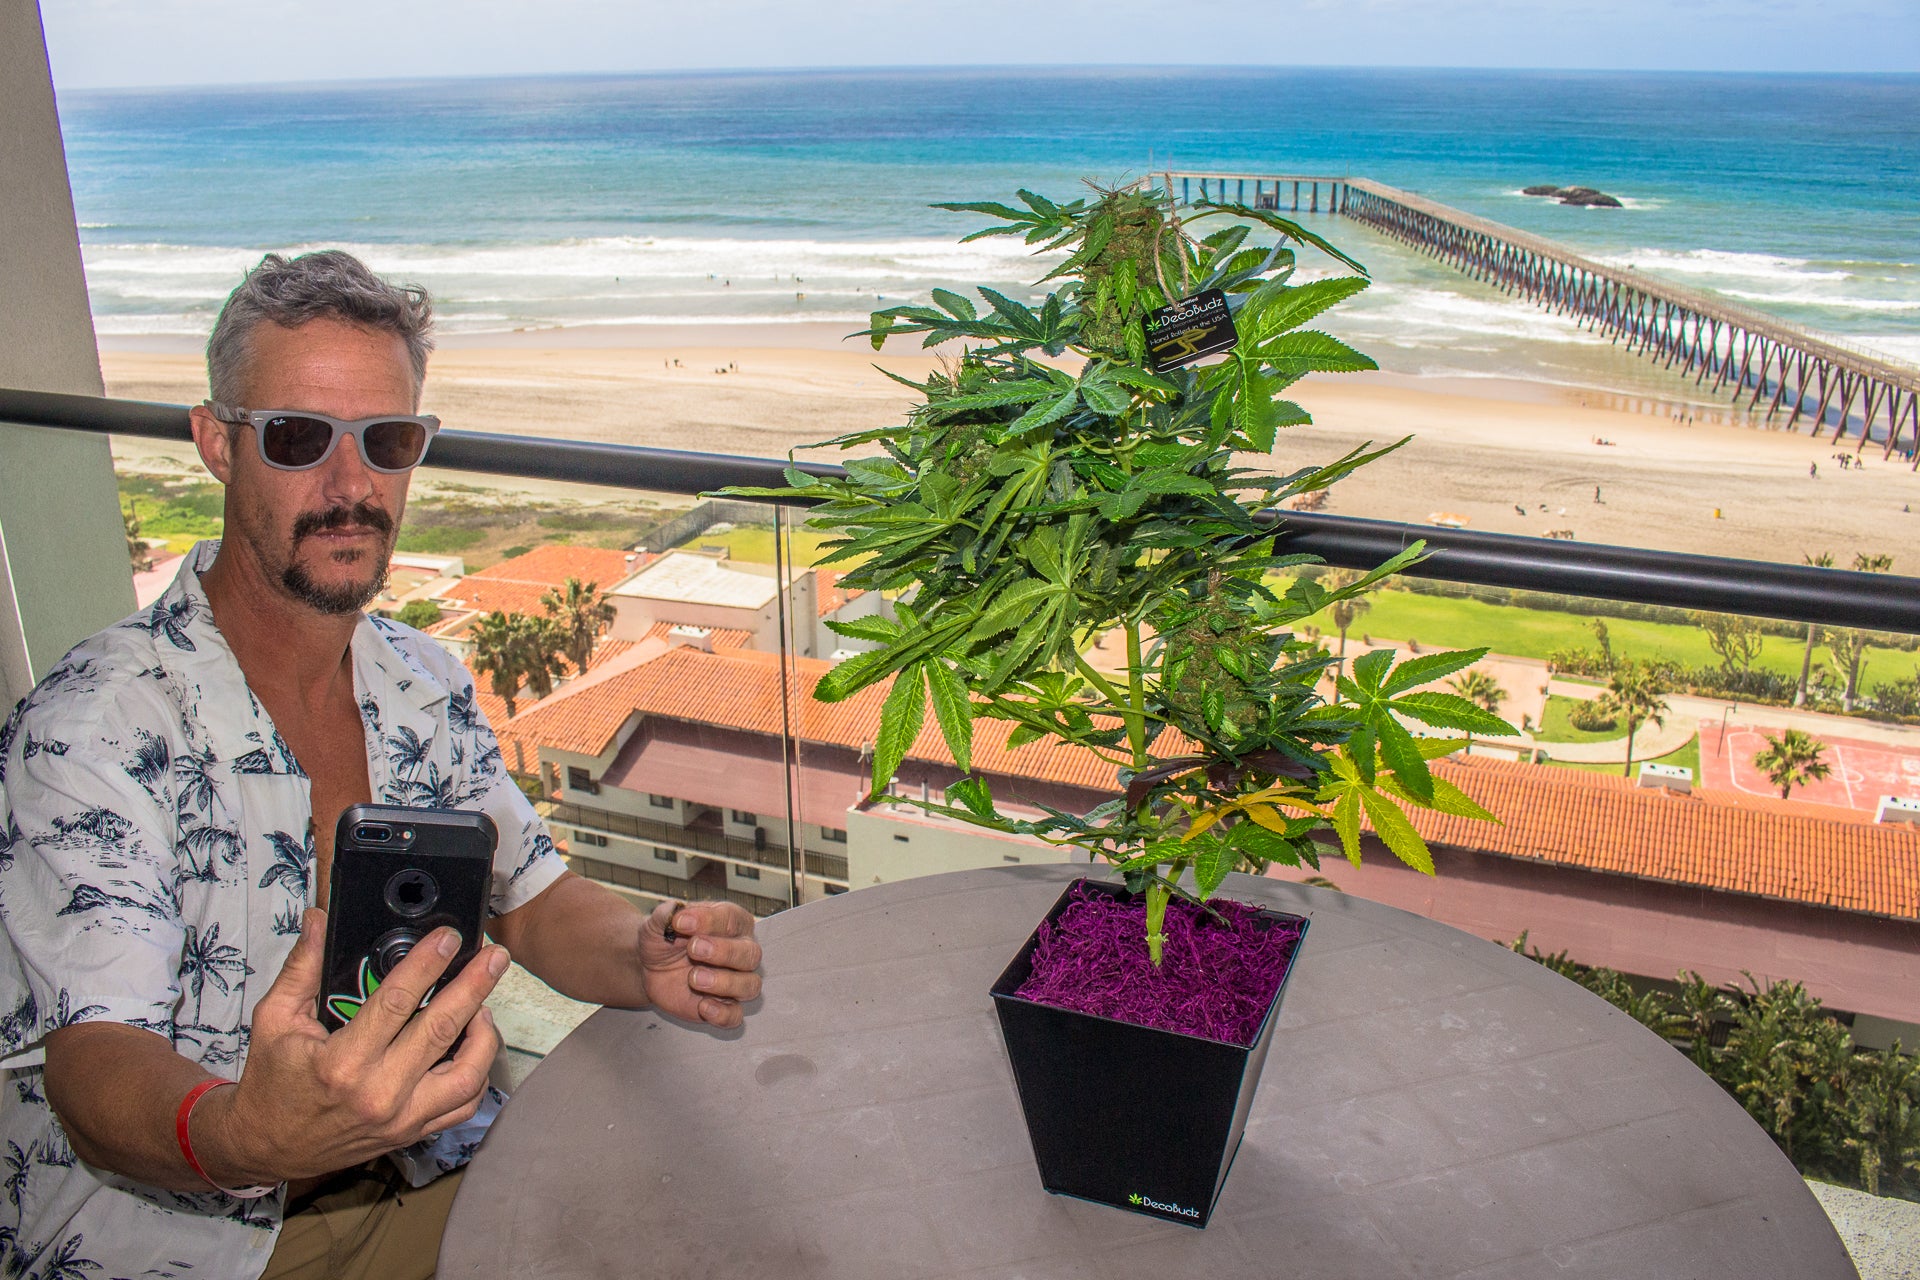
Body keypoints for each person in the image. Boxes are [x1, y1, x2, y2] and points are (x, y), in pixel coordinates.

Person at [0, 251, 763, 1280]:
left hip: (437, 1167)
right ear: (217, 443)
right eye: (300, 437)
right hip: (205, 1236)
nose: (352, 485)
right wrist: (244, 1135)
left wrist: (643, 952)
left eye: (388, 439)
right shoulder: (90, 731)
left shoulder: (420, 676)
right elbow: (97, 1066)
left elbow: (529, 899)